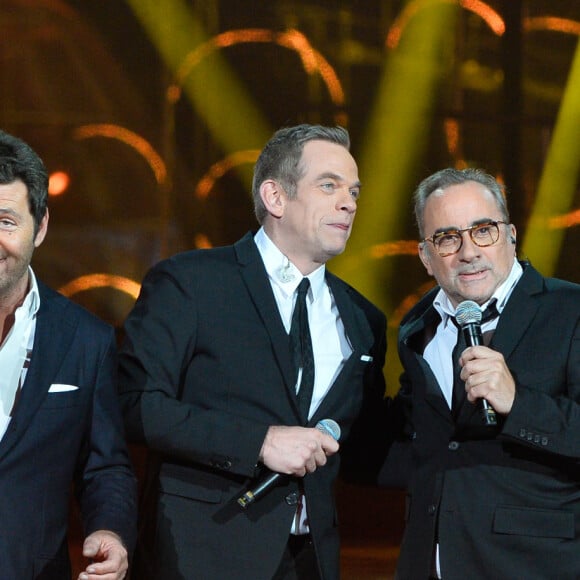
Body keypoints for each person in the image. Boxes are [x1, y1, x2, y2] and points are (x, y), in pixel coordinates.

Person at [118, 124, 389, 580]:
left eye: (354, 191)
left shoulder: (364, 319)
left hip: (310, 560)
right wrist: (258, 441)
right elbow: (134, 403)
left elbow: (364, 446)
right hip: (200, 553)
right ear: (275, 197)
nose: (349, 203)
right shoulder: (192, 282)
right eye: (329, 186)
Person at [382, 167, 580, 579]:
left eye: (483, 230)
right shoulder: (418, 327)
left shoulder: (570, 310)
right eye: (448, 237)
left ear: (510, 235)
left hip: (534, 567)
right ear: (425, 256)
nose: (468, 251)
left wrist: (518, 403)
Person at [0, 130, 137, 579]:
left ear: (40, 228)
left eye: (5, 221)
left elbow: (106, 466)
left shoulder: (85, 340)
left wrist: (110, 532)